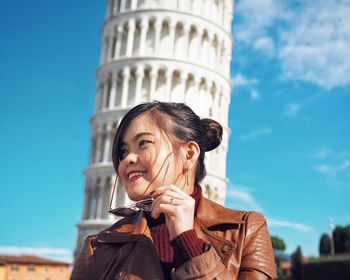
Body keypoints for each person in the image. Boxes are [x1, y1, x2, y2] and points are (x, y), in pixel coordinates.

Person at [71, 102, 277, 280]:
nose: (128, 159)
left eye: (143, 143)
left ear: (189, 154)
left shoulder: (246, 230)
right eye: (123, 151)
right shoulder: (98, 247)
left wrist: (187, 242)